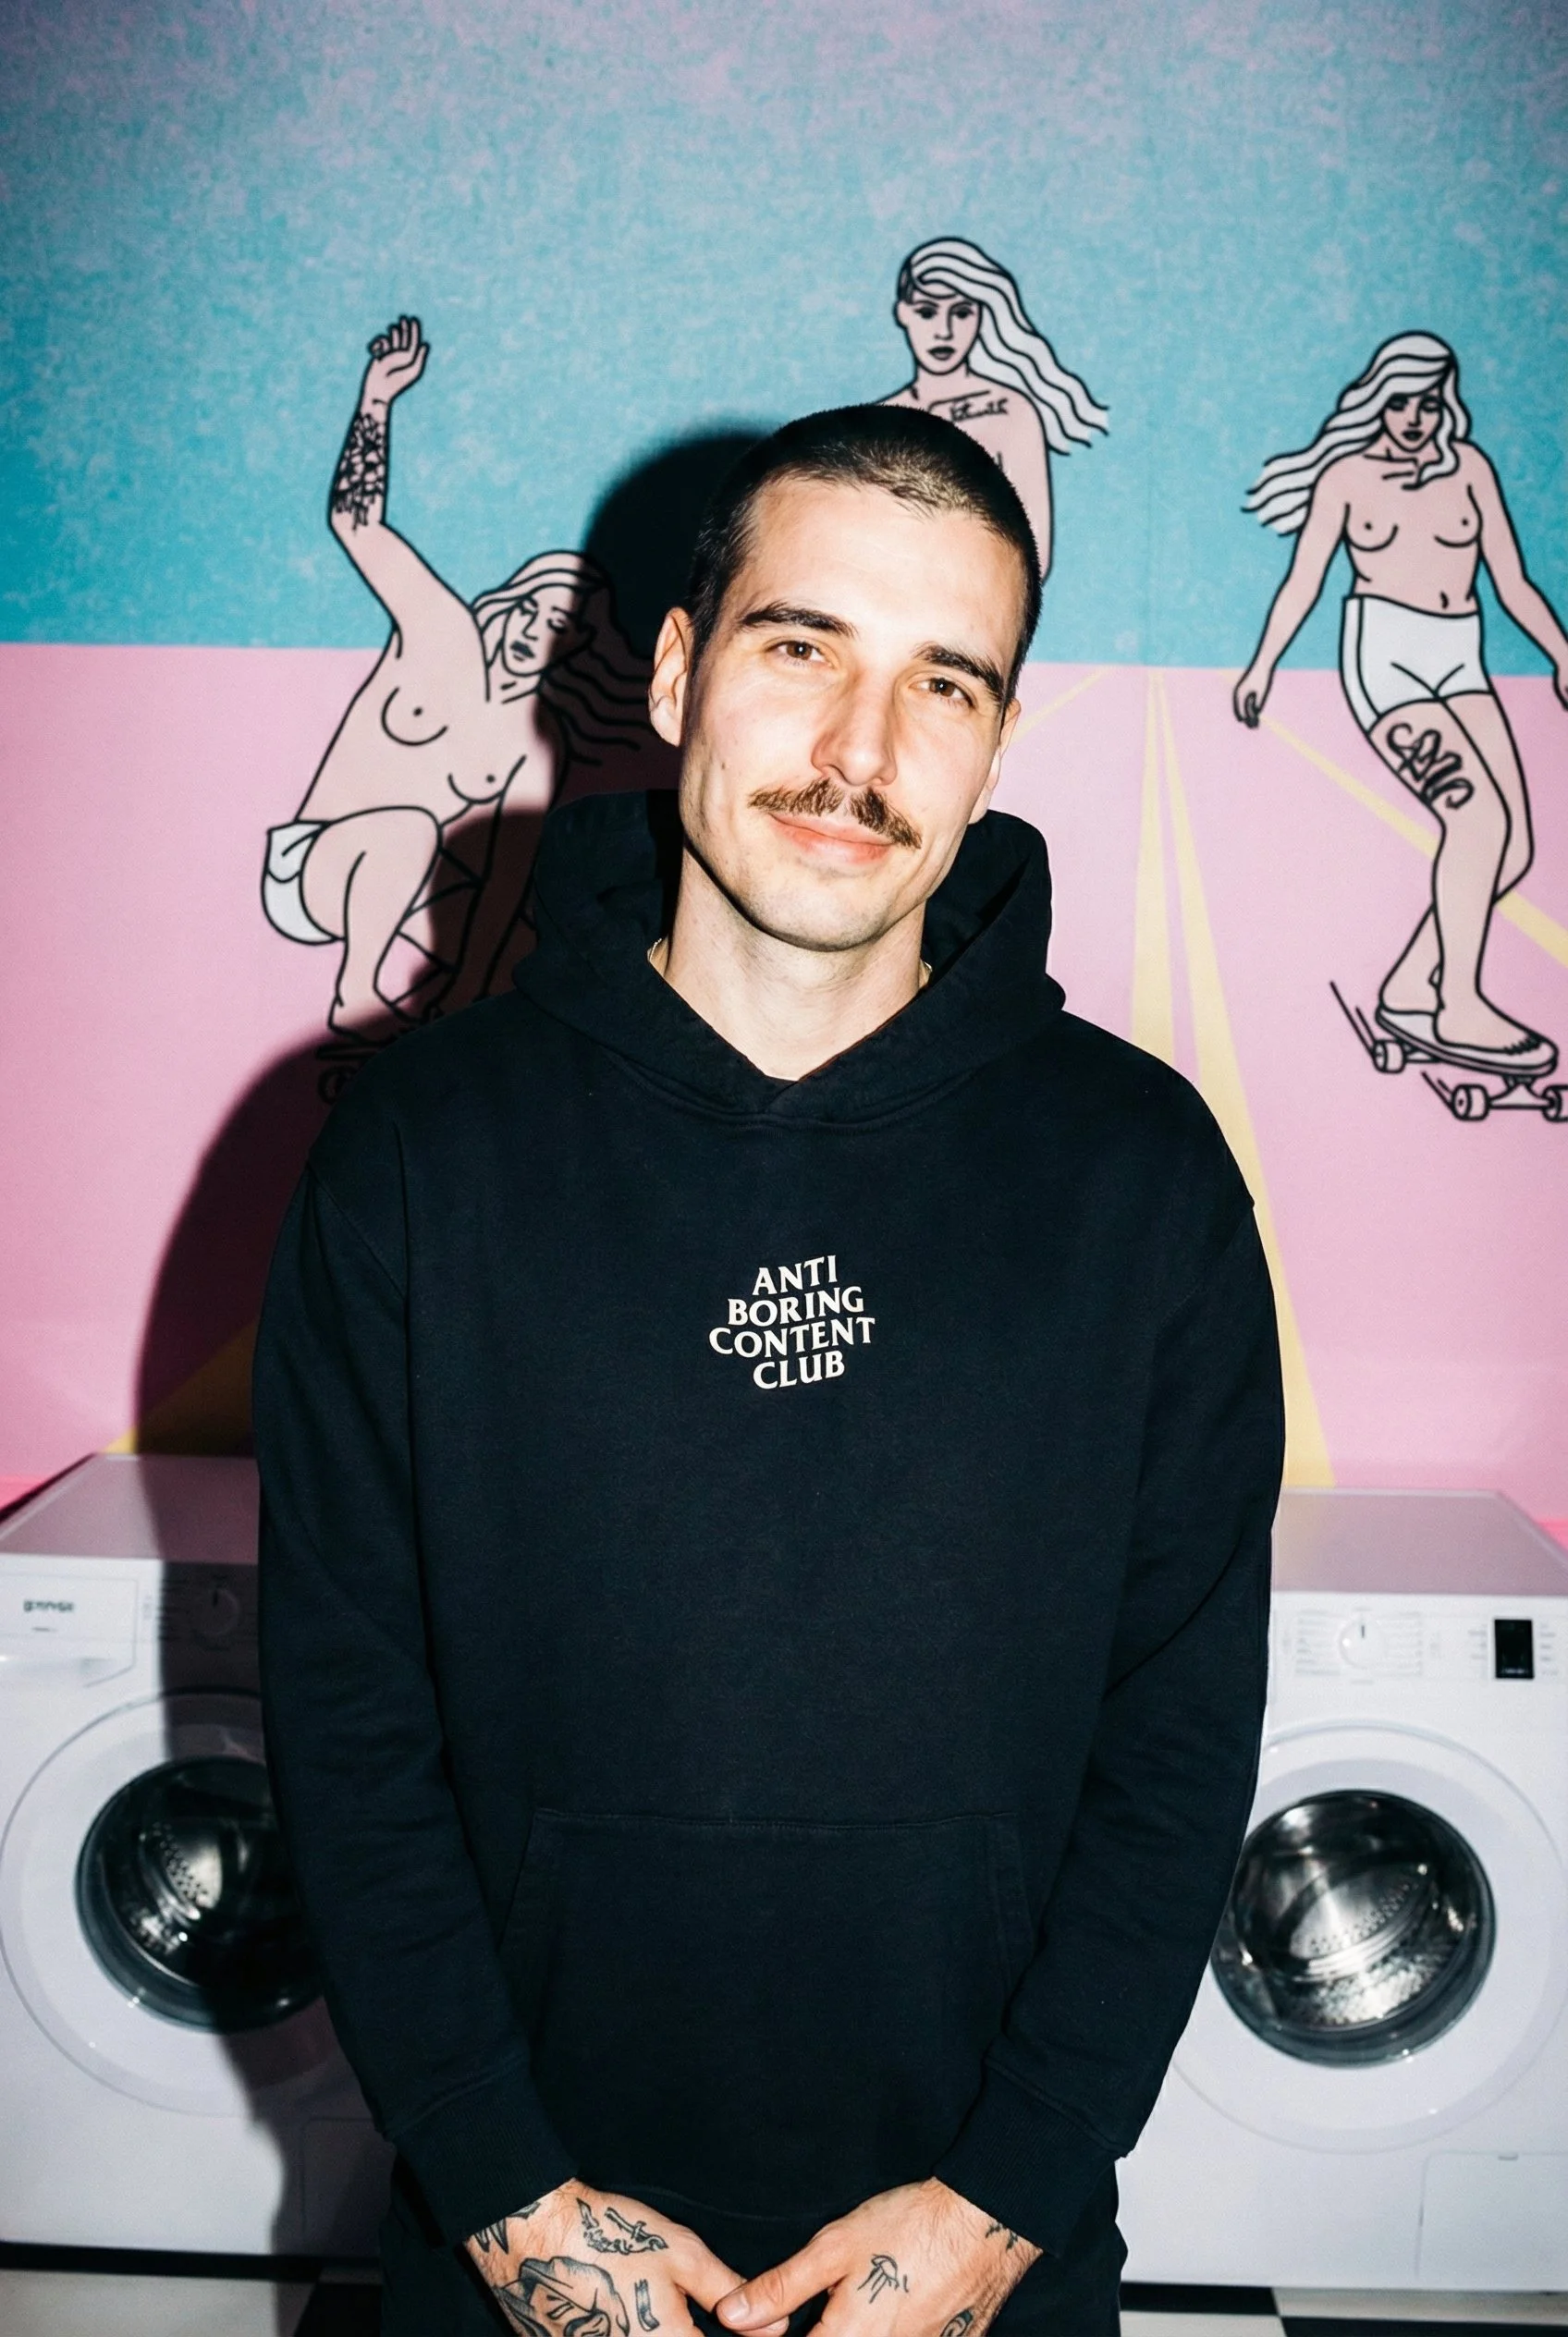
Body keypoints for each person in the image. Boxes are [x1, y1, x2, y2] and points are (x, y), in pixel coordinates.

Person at [254, 404, 1284, 2337]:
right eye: (802, 646)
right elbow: (343, 1713)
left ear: (997, 738)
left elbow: (1175, 1746)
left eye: (943, 683)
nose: (860, 753)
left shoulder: (1140, 1176)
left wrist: (1003, 2200)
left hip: (979, 2263)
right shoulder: (419, 1152)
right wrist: (508, 2200)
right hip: (511, 2257)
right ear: (673, 672)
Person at [263, 315, 653, 1037]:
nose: (533, 630)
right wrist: (376, 401)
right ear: (508, 603)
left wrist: (466, 993)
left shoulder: (537, 739)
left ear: (576, 645)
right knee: (408, 828)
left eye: (558, 624)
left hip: (417, 900)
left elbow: (503, 881)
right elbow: (358, 525)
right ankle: (356, 999)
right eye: (530, 607)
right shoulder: (438, 631)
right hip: (316, 867)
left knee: (537, 917)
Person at [1234, 330, 1568, 1072]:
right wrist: (1263, 666)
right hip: (1387, 663)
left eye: (1428, 403)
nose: (1414, 418)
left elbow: (1511, 580)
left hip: (1461, 655)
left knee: (1511, 847)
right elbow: (1304, 581)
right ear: (1378, 403)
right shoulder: (1347, 478)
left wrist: (1562, 652)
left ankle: (1412, 985)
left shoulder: (1469, 468)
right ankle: (1459, 1005)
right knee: (1476, 821)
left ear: (1446, 405)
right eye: (1399, 403)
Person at [880, 239, 1108, 581]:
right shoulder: (881, 419)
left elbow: (1034, 552)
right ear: (903, 313)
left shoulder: (1010, 410)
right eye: (927, 312)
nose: (944, 331)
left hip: (979, 601)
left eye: (961, 313)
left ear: (981, 315)